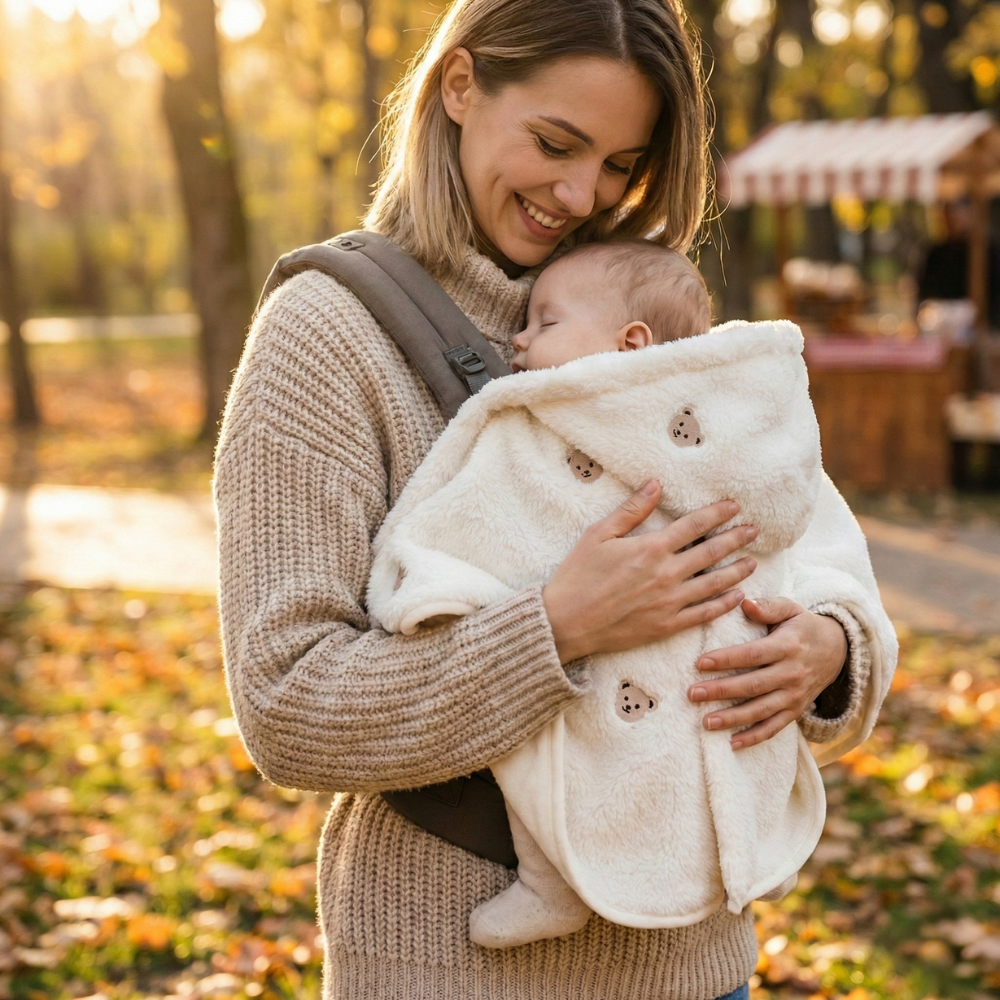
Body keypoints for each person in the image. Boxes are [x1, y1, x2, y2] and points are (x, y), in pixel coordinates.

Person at [215, 2, 898, 998]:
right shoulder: (326, 336)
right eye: (555, 142)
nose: (583, 194)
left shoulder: (644, 317)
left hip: (695, 962)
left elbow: (813, 541)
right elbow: (286, 704)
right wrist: (556, 626)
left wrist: (828, 651)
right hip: (446, 962)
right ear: (459, 88)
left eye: (622, 164)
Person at [367, 239, 841, 950]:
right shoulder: (531, 422)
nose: (518, 340)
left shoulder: (735, 406)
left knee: (721, 733)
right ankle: (555, 881)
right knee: (553, 746)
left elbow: (796, 522)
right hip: (577, 666)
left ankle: (747, 849)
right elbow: (486, 508)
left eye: (545, 324)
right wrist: (460, 588)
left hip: (722, 644)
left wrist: (834, 641)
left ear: (632, 342)